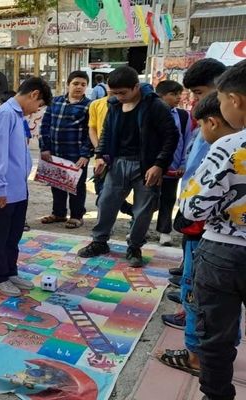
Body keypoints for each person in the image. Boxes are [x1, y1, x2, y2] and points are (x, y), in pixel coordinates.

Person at [157, 92, 239, 378]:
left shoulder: (227, 146)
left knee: (208, 311)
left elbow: (195, 206)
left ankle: (198, 360)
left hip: (221, 246)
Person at [179, 61, 246, 400]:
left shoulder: (230, 146)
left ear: (235, 101)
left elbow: (193, 207)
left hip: (223, 252)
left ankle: (216, 395)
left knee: (216, 337)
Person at [77, 66, 179, 267]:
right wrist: (100, 156)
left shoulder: (155, 106)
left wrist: (159, 165)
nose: (118, 97)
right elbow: (106, 132)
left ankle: (134, 247)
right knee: (106, 202)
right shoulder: (114, 104)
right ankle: (99, 241)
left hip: (146, 166)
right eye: (113, 93)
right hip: (117, 163)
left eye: (122, 92)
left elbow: (171, 137)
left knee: (143, 209)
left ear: (135, 87)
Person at [161, 58, 227, 329]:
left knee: (198, 269)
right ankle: (190, 306)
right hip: (192, 201)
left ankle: (192, 318)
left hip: (205, 215)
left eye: (199, 93)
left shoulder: (227, 129)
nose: (194, 100)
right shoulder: (207, 120)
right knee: (191, 263)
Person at [0, 77, 52, 297]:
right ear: (34, 94)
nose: (36, 111)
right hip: (2, 191)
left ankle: (10, 271)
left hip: (17, 188)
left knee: (13, 235)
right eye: (38, 106)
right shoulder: (4, 114)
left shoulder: (17, 116)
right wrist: (0, 189)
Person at [40, 71, 92, 229]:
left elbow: (92, 132)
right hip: (55, 153)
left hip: (76, 155)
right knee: (57, 185)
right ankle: (59, 214)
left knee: (77, 187)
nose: (79, 87)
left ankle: (77, 216)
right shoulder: (55, 102)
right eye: (75, 83)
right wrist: (45, 148)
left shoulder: (89, 106)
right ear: (68, 84)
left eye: (83, 84)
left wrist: (85, 154)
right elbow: (45, 126)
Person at [154, 80, 193, 246]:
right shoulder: (149, 113)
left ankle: (164, 231)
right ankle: (137, 228)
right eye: (173, 94)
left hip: (173, 167)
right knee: (147, 199)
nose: (178, 97)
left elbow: (187, 141)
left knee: (168, 198)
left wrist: (183, 164)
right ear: (161, 96)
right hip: (151, 166)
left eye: (179, 94)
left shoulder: (183, 116)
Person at [88, 85, 134, 217]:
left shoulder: (130, 105)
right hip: (102, 154)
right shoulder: (96, 104)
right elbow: (92, 128)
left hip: (121, 156)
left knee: (115, 191)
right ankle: (106, 219)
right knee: (101, 189)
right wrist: (99, 152)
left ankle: (127, 212)